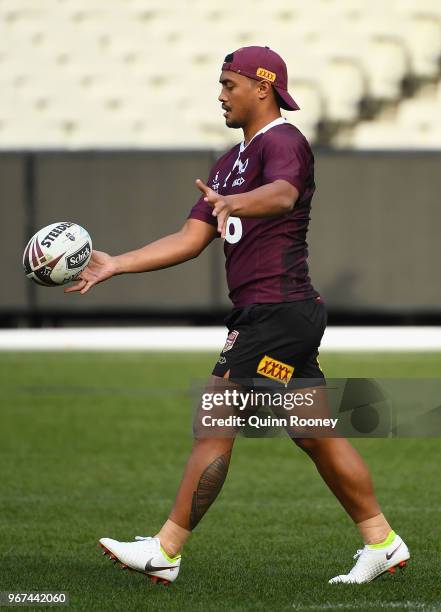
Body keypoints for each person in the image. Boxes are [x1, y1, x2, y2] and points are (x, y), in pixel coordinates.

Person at [66, 46, 409, 585]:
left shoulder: (284, 141)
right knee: (313, 429)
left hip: (276, 312)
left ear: (262, 87)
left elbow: (283, 194)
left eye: (229, 83)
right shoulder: (228, 163)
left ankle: (167, 549)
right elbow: (189, 239)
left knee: (215, 416)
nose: (221, 93)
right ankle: (381, 541)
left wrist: (238, 204)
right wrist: (116, 265)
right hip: (275, 315)